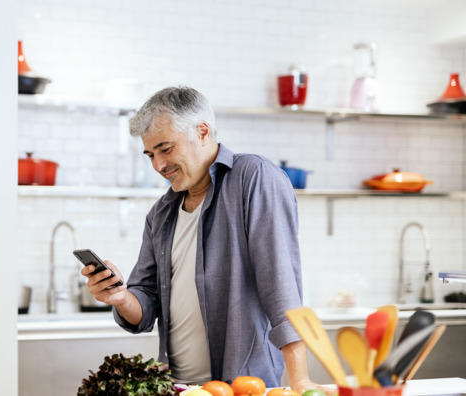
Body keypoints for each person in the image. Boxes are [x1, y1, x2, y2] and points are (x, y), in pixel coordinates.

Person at [81, 86, 318, 391]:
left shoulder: (253, 177)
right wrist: (120, 296)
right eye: (151, 154)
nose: (158, 165)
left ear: (203, 132)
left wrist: (300, 380)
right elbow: (145, 306)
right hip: (178, 388)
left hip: (241, 388)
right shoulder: (161, 214)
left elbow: (280, 283)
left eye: (166, 149)